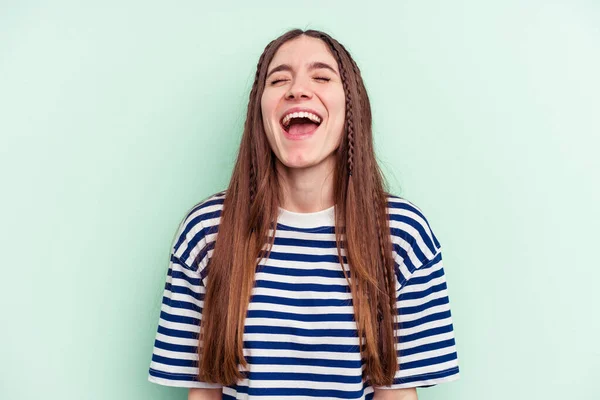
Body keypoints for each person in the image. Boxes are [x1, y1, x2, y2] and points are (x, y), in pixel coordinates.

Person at [148, 28, 460, 400]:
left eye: (321, 76)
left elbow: (395, 394)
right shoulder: (206, 233)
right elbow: (203, 393)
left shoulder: (402, 235)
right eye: (279, 79)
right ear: (260, 111)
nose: (297, 89)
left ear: (351, 106)